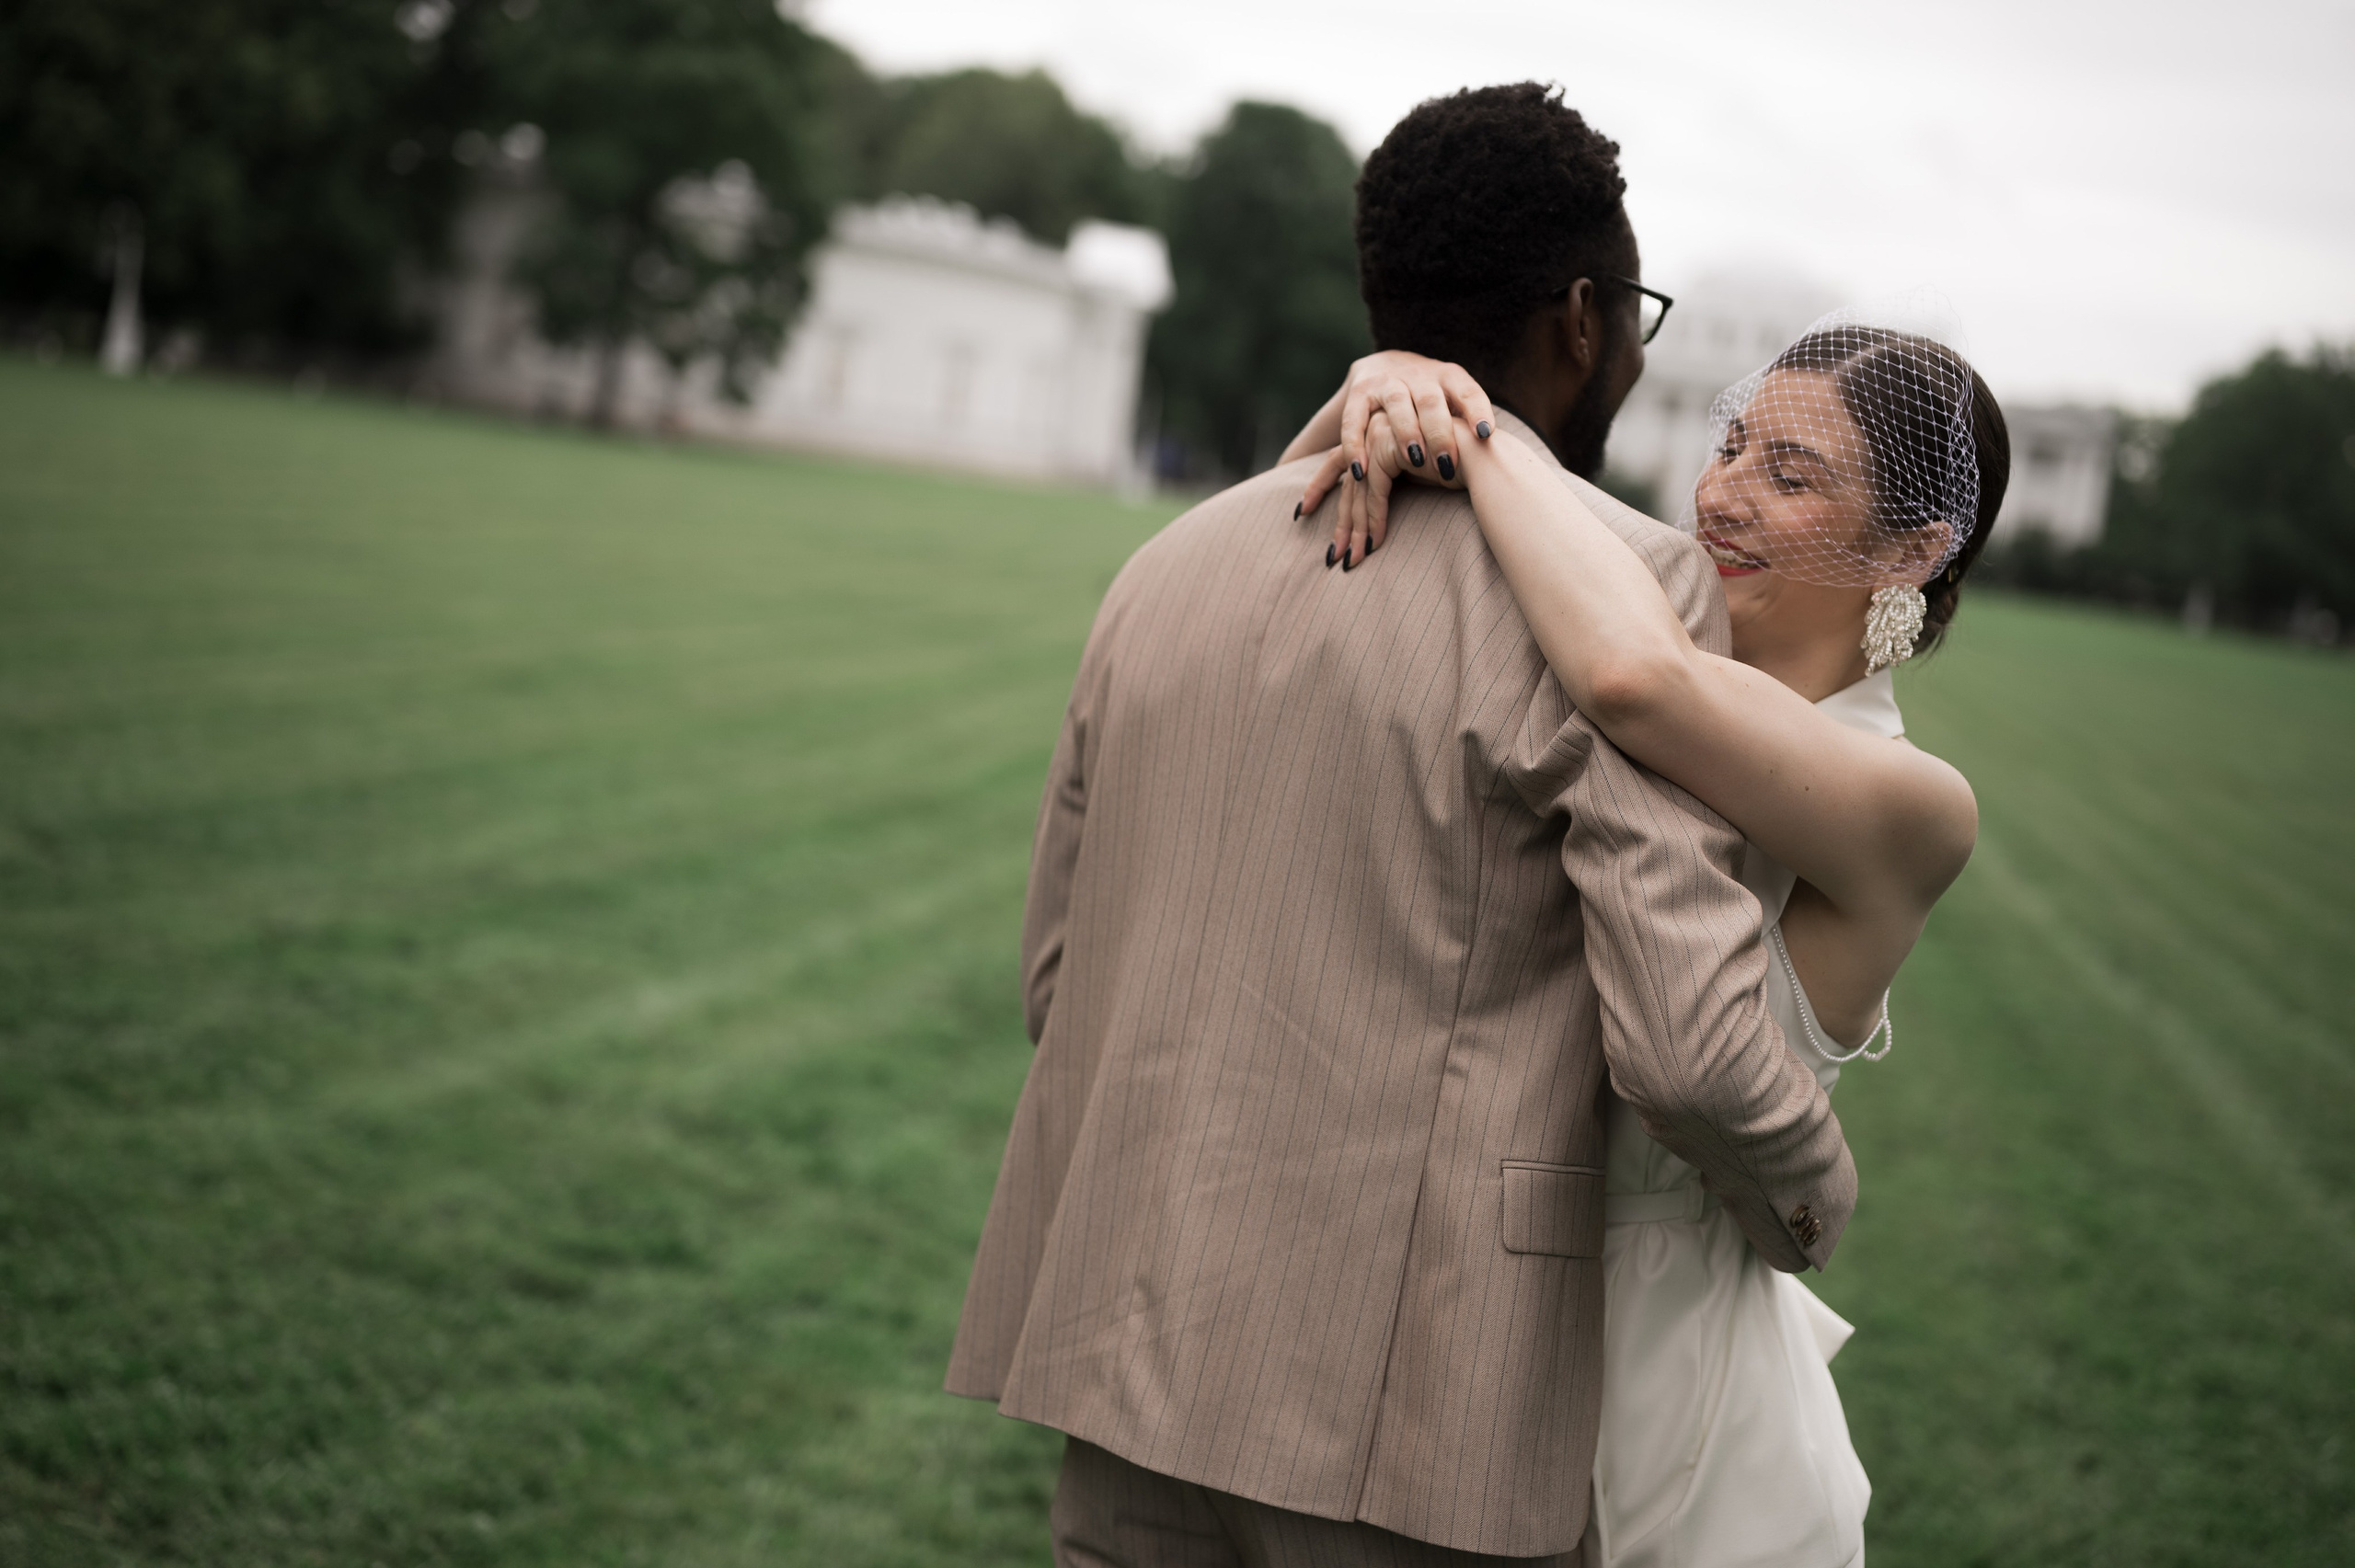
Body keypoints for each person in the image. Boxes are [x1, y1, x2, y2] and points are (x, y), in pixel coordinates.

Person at [947, 84, 1854, 1566]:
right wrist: (1813, 1192)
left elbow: (1056, 977)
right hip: (1417, 1411)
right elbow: (1688, 1048)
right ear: (1584, 318)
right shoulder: (1642, 594)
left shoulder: (1168, 562)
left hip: (1121, 1362)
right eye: (1639, 315)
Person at [1281, 319, 2008, 1565]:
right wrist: (1380, 382)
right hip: (1452, 1334)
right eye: (1730, 446)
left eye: (1790, 475)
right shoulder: (1620, 608)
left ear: (1910, 548)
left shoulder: (1911, 802)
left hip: (1671, 1407)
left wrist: (1474, 419)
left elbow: (1637, 682)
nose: (1721, 493)